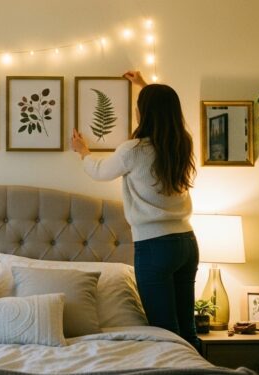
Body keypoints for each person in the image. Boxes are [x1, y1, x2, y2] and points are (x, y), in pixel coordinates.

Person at [71, 71, 200, 350]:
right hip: (187, 243)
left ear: (145, 113)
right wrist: (143, 86)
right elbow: (163, 107)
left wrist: (83, 151)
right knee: (187, 332)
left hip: (155, 246)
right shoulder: (181, 143)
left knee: (165, 333)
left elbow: (99, 171)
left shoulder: (133, 150)